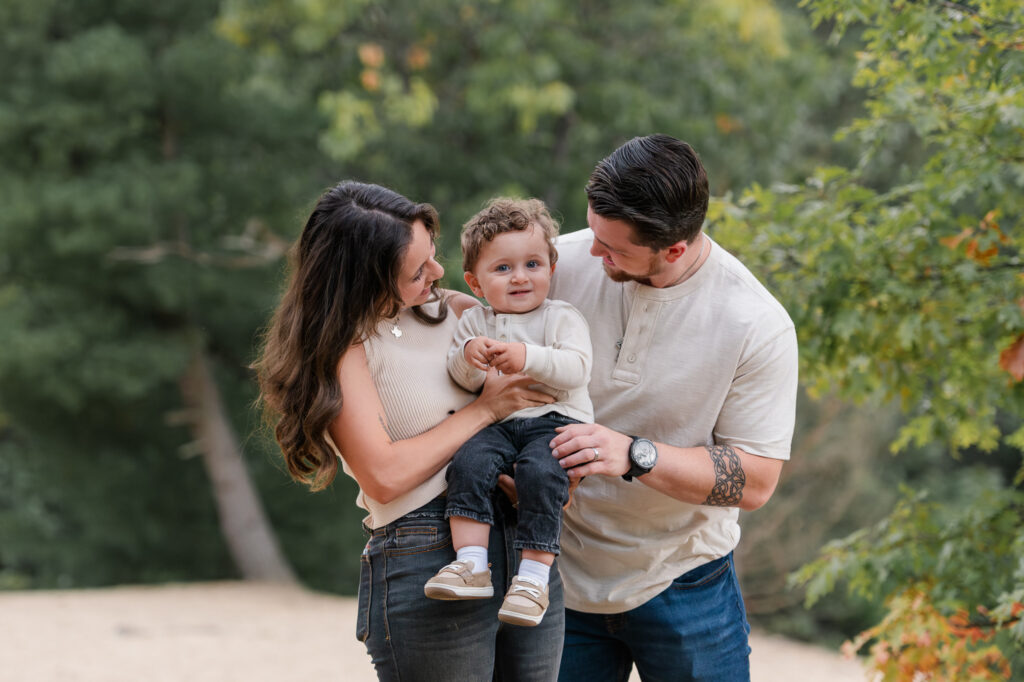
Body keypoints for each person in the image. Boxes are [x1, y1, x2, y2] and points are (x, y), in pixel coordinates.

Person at [255, 181, 565, 681]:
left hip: (525, 543)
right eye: (417, 271)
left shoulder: (460, 313)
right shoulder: (341, 350)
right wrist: (485, 411)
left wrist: (544, 478)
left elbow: (540, 406)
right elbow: (383, 473)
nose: (438, 273)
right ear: (364, 280)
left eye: (433, 255)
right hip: (426, 551)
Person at [545, 134, 799, 681]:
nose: (593, 252)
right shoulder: (552, 268)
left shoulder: (755, 323)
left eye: (614, 248)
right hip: (554, 575)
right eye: (594, 231)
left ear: (675, 248)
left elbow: (755, 481)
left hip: (686, 583)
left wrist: (634, 454)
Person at [423, 198, 593, 628]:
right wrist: (469, 356)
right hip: (498, 424)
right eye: (502, 269)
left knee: (540, 474)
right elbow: (463, 380)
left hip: (555, 420)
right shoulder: (475, 323)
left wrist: (526, 356)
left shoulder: (561, 317)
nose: (520, 277)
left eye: (533, 264)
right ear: (475, 283)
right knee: (467, 462)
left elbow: (576, 369)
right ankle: (472, 563)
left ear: (551, 269)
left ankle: (534, 578)